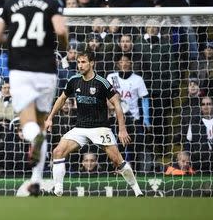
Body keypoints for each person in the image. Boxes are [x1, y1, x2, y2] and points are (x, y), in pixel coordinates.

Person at [0, 0, 68, 196]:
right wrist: (62, 47)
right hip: (46, 69)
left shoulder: (11, 3)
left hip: (21, 69)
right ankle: (36, 180)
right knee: (41, 122)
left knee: (28, 125)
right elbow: (61, 32)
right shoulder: (51, 3)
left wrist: (14, 38)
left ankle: (33, 144)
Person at [45, 50, 143, 197]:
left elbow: (117, 104)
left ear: (92, 63)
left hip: (100, 128)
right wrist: (50, 118)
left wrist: (122, 129)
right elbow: (61, 99)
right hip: (80, 127)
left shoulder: (102, 82)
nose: (80, 65)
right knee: (58, 152)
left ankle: (138, 191)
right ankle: (57, 190)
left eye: (83, 62)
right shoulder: (74, 80)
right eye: (78, 62)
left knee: (118, 160)